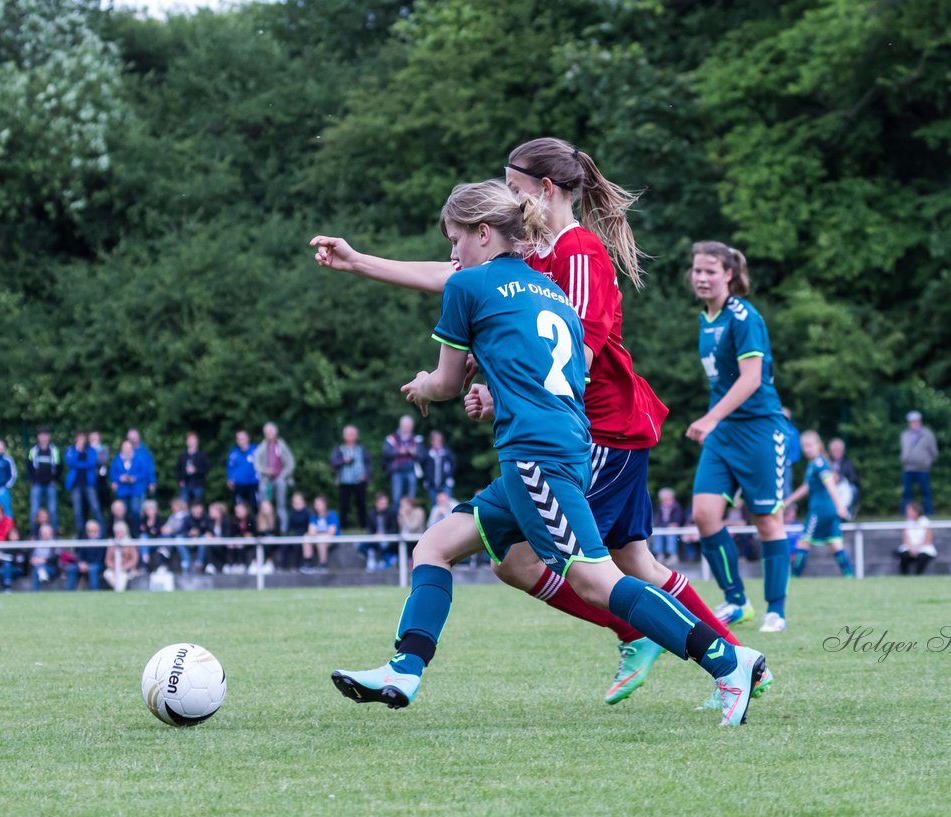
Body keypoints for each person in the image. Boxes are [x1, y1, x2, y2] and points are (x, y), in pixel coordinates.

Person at [313, 139, 748, 709]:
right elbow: (478, 292)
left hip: (582, 436)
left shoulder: (578, 252)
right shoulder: (531, 270)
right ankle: (404, 670)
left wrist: (464, 386)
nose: (508, 196)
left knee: (605, 576)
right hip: (551, 434)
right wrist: (362, 262)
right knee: (455, 549)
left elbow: (576, 354)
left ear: (537, 194)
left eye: (513, 187)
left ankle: (726, 658)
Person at [684, 240, 792, 637]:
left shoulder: (744, 317)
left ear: (728, 274)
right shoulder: (705, 319)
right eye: (697, 270)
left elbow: (751, 380)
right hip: (724, 432)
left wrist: (710, 418)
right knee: (703, 515)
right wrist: (716, 421)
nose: (702, 278)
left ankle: (776, 610)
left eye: (710, 271)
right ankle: (736, 599)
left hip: (760, 429)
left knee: (766, 519)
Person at [785, 431, 854, 587]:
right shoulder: (815, 463)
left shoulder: (819, 464)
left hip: (820, 511)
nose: (806, 449)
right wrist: (788, 501)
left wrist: (840, 506)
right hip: (828, 511)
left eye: (809, 445)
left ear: (818, 445)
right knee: (835, 543)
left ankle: (794, 578)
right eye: (804, 446)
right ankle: (850, 575)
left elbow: (831, 486)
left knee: (804, 542)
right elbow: (806, 487)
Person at [330, 425, 371, 533]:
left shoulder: (361, 448)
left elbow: (368, 463)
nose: (350, 436)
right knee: (344, 505)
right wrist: (344, 461)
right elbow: (333, 462)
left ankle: (364, 526)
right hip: (345, 481)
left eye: (353, 434)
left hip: (360, 480)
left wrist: (366, 475)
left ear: (356, 436)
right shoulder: (339, 448)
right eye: (348, 434)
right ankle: (343, 527)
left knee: (361, 504)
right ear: (344, 436)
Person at [254, 422, 295, 523]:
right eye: (267, 433)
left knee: (281, 505)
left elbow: (291, 462)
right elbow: (256, 463)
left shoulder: (281, 445)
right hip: (266, 479)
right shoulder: (262, 446)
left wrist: (283, 474)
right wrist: (264, 470)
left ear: (275, 433)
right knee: (264, 505)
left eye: (271, 432)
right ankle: (265, 529)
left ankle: (283, 529)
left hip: (280, 478)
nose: (269, 434)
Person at [900, 411, 938, 515]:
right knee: (907, 493)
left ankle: (928, 513)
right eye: (912, 422)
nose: (914, 423)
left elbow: (934, 451)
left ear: (920, 422)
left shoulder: (927, 434)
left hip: (923, 468)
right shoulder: (905, 434)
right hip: (908, 468)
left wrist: (927, 462)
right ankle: (906, 514)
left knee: (925, 492)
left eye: (916, 421)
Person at [383, 415, 424, 506]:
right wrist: (399, 452)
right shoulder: (392, 438)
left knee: (411, 498)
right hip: (396, 471)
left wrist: (414, 453)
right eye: (405, 425)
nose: (406, 428)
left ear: (412, 426)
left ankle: (411, 519)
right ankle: (396, 519)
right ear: (400, 425)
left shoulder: (417, 439)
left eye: (408, 426)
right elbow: (385, 453)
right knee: (396, 498)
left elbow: (422, 456)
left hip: (411, 471)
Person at [64, 431, 100, 535]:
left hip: (89, 484)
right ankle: (81, 533)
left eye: (83, 438)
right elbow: (70, 462)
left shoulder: (90, 450)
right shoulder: (71, 450)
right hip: (76, 484)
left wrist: (78, 464)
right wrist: (78, 451)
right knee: (77, 511)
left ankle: (100, 532)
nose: (81, 440)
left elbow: (92, 463)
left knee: (95, 508)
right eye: (79, 438)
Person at [26, 427, 61, 534]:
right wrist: (32, 480)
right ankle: (34, 535)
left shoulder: (54, 450)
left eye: (46, 435)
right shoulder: (33, 450)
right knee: (34, 511)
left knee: (52, 511)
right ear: (38, 437)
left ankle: (54, 535)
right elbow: (28, 466)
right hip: (37, 484)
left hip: (51, 484)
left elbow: (59, 466)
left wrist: (55, 480)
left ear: (49, 437)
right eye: (41, 435)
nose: (43, 438)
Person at [110, 439, 146, 524]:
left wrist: (135, 478)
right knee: (122, 512)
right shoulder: (117, 459)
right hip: (122, 490)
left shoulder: (138, 458)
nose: (127, 449)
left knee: (135, 511)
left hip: (135, 489)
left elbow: (144, 472)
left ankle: (136, 532)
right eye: (125, 447)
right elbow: (112, 473)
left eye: (128, 447)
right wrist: (119, 478)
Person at [897, 501, 937, 575]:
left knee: (923, 556)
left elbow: (928, 539)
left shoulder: (925, 522)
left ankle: (918, 575)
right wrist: (912, 548)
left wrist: (917, 548)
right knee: (903, 555)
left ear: (916, 511)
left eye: (909, 510)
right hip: (909, 547)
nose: (907, 513)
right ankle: (904, 575)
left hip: (923, 547)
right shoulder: (907, 522)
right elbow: (905, 539)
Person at [303, 494, 338, 573]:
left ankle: (323, 564)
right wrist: (318, 534)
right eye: (315, 504)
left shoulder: (332, 515)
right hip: (318, 538)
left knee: (321, 539)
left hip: (331, 540)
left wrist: (318, 534)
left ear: (325, 504)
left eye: (319, 504)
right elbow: (311, 531)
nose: (317, 506)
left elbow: (331, 532)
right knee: (306, 536)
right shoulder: (314, 516)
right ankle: (308, 563)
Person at [363, 491, 398, 571]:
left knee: (383, 544)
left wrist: (384, 533)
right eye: (382, 503)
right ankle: (374, 557)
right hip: (374, 538)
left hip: (388, 539)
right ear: (376, 503)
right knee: (359, 545)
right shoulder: (371, 514)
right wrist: (375, 535)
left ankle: (383, 560)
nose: (384, 505)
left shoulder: (392, 513)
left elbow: (394, 530)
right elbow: (368, 530)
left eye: (385, 503)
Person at [226, 431, 260, 512]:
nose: (241, 441)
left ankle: (255, 524)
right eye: (239, 439)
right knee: (239, 508)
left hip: (253, 484)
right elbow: (230, 467)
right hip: (238, 485)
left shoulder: (256, 449)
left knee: (255, 507)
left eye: (243, 438)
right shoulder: (233, 453)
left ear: (248, 438)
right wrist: (229, 479)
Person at [68, 519, 106, 591]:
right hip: (84, 564)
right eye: (88, 531)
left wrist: (87, 565)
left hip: (97, 563)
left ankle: (95, 593)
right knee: (71, 568)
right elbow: (79, 554)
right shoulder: (83, 539)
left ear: (97, 530)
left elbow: (101, 557)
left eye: (93, 530)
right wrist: (80, 563)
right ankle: (68, 593)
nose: (90, 533)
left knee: (92, 569)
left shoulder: (102, 540)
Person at [103, 520, 141, 592]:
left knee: (122, 576)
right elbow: (108, 559)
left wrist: (124, 567)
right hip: (114, 568)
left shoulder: (130, 543)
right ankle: (119, 590)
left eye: (121, 531)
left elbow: (134, 559)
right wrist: (114, 567)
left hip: (127, 569)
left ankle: (119, 592)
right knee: (107, 574)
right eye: (117, 532)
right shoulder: (111, 543)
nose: (119, 534)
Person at [175, 432, 210, 507]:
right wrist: (180, 480)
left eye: (193, 440)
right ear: (186, 442)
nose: (192, 442)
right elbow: (178, 470)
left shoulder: (202, 456)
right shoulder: (182, 456)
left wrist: (196, 470)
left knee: (196, 505)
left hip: (198, 484)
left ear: (197, 442)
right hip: (185, 485)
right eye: (190, 440)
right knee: (184, 505)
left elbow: (206, 469)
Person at [828, 438, 860, 517]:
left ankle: (846, 512)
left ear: (842, 450)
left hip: (845, 490)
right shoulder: (828, 463)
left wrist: (840, 479)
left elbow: (854, 480)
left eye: (837, 450)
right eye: (833, 450)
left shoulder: (848, 463)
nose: (835, 452)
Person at [651, 487, 685, 564]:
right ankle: (660, 555)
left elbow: (677, 520)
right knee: (658, 535)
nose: (665, 499)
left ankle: (673, 556)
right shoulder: (660, 507)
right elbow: (657, 520)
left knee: (671, 535)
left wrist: (669, 524)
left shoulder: (676, 506)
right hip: (663, 528)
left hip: (676, 529)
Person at [421, 430, 457, 499]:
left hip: (445, 483)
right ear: (431, 442)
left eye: (439, 441)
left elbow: (453, 465)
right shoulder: (428, 454)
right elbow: (424, 467)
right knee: (435, 504)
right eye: (435, 441)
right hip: (432, 485)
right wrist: (427, 479)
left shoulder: (447, 453)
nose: (437, 443)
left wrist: (448, 475)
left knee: (447, 503)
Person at [279, 492, 310, 571]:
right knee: (284, 544)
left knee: (297, 545)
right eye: (295, 502)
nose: (297, 504)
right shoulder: (291, 512)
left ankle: (296, 566)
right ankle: (283, 566)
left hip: (303, 534)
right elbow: (289, 526)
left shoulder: (307, 512)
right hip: (293, 534)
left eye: (299, 501)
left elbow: (308, 526)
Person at [126, 429, 158, 502]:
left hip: (140, 486)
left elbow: (150, 469)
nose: (132, 441)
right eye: (130, 439)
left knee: (138, 509)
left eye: (134, 438)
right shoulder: (125, 451)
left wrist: (152, 482)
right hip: (126, 487)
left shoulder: (145, 453)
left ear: (139, 438)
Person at [180, 501, 210, 574]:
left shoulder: (206, 518)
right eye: (195, 508)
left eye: (198, 508)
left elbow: (209, 530)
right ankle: (187, 562)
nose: (197, 510)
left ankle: (199, 562)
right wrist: (189, 534)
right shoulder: (187, 518)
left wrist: (199, 534)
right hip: (189, 541)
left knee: (203, 539)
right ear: (192, 509)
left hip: (201, 541)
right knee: (179, 540)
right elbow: (182, 531)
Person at [28, 524, 57, 591]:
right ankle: (43, 576)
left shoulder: (55, 543)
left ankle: (36, 592)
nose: (45, 534)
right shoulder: (36, 542)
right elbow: (29, 555)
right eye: (43, 533)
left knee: (38, 569)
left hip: (50, 567)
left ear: (51, 533)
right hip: (36, 565)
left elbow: (56, 557)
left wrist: (45, 560)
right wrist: (32, 560)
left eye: (46, 533)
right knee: (37, 569)